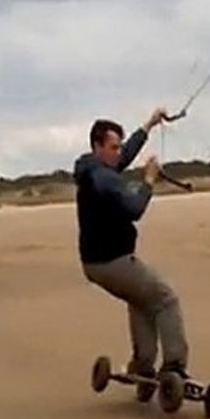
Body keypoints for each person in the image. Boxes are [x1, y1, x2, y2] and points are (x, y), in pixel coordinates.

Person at [72, 107, 191, 380]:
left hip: (98, 262)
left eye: (118, 146)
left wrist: (148, 125)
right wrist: (148, 181)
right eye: (112, 147)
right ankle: (174, 366)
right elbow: (134, 208)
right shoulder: (102, 178)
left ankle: (143, 364)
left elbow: (125, 155)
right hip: (111, 262)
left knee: (142, 300)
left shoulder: (93, 167)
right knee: (165, 298)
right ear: (97, 146)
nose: (118, 152)